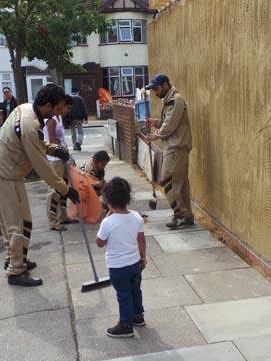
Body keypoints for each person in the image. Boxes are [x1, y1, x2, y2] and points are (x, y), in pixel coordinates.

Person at [0, 84, 79, 287]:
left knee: (24, 220)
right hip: (5, 174)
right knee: (16, 223)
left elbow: (38, 144)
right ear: (47, 105)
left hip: (9, 173)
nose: (57, 114)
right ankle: (15, 271)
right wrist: (66, 189)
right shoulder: (30, 123)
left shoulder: (27, 110)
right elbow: (41, 165)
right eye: (56, 109)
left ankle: (16, 258)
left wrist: (56, 150)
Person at [96, 177, 147, 338]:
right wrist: (143, 258)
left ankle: (126, 325)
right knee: (135, 290)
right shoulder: (137, 217)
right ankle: (137, 316)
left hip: (118, 267)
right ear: (127, 198)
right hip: (135, 264)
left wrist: (105, 220)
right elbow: (141, 239)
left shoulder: (108, 222)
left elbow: (100, 243)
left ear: (108, 202)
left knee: (123, 294)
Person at [145, 74, 194, 229]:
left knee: (169, 181)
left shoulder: (174, 100)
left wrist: (156, 135)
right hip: (176, 146)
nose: (155, 92)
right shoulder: (170, 100)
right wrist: (157, 123)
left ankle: (180, 214)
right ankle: (186, 215)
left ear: (165, 85)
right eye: (153, 89)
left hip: (176, 147)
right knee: (180, 183)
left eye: (156, 88)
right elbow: (172, 121)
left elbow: (170, 124)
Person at [44, 95, 76, 231]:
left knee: (64, 187)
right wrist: (62, 150)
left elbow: (60, 138)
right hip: (55, 159)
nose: (66, 110)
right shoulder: (51, 120)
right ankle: (53, 221)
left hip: (62, 158)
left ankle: (63, 216)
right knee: (54, 190)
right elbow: (51, 141)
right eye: (65, 107)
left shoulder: (58, 118)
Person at [70, 87, 88, 151]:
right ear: (77, 92)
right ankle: (78, 142)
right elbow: (84, 108)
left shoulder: (69, 99)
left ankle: (75, 145)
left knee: (73, 132)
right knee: (80, 132)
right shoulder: (80, 99)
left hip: (71, 118)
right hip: (79, 118)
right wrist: (85, 118)